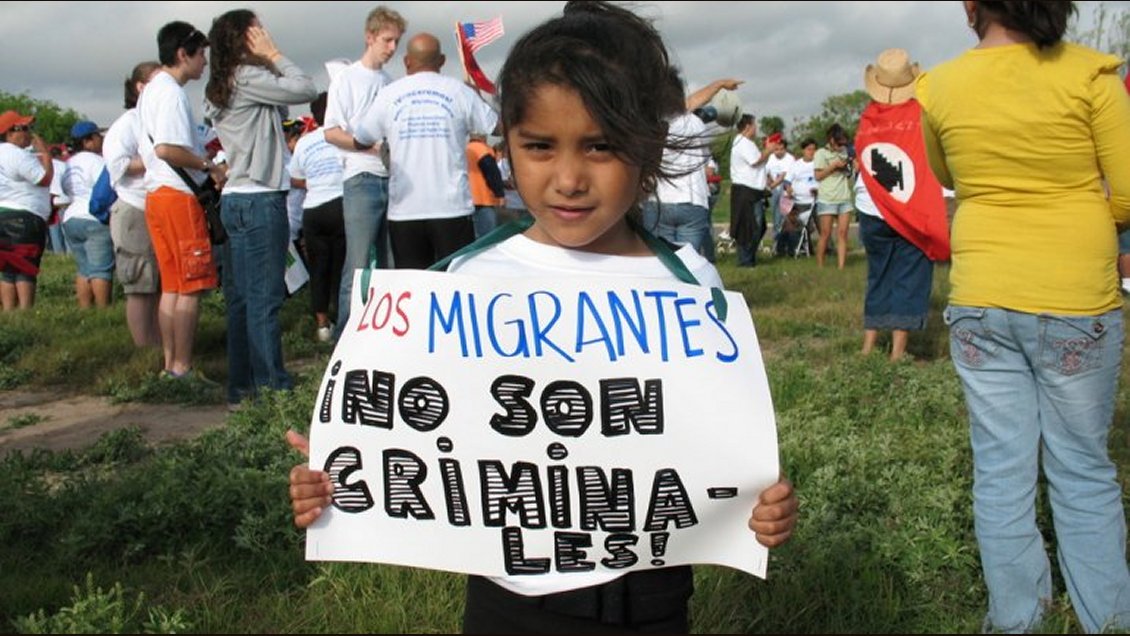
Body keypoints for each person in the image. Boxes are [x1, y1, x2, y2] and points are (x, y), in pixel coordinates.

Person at [287, 3, 797, 632]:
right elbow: (426, 427)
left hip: (649, 605)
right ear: (507, 145)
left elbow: (719, 441)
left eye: (600, 147)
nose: (569, 178)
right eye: (539, 147)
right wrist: (347, 464)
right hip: (507, 607)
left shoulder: (691, 286)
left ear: (649, 147)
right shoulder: (464, 283)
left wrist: (763, 504)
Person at [917, 1, 1130, 632]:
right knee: (1082, 467)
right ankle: (1108, 620)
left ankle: (1015, 618)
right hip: (1073, 294)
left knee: (1001, 466)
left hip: (981, 292)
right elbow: (1128, 192)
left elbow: (948, 174)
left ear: (971, 7)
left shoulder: (940, 86)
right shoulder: (1092, 75)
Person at [204, 9, 317, 409]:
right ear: (245, 39)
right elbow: (306, 88)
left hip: (236, 199)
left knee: (240, 300)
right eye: (259, 31)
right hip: (260, 198)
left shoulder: (222, 83)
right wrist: (274, 54)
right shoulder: (249, 78)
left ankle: (242, 388)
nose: (266, 35)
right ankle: (273, 391)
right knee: (265, 299)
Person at [352, 32, 499, 270]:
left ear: (407, 61)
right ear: (441, 61)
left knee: (413, 288)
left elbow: (361, 138)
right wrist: (478, 97)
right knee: (454, 285)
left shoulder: (389, 94)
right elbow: (496, 127)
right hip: (452, 207)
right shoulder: (459, 91)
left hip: (405, 211)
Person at [137, 20, 225, 380]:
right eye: (201, 54)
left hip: (157, 195)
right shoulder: (171, 93)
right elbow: (168, 149)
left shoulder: (151, 90)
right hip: (178, 197)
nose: (204, 62)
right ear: (182, 54)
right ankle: (183, 367)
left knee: (172, 287)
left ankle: (171, 366)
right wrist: (209, 166)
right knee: (190, 288)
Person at [323, 6, 407, 342]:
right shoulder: (346, 78)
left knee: (390, 264)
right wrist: (364, 146)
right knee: (357, 264)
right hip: (361, 178)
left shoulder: (390, 82)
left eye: (396, 42)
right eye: (387, 40)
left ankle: (384, 338)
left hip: (391, 177)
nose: (391, 48)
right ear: (370, 37)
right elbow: (331, 131)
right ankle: (346, 338)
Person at [855, 48, 943, 362]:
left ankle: (868, 347)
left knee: (878, 274)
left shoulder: (867, 118)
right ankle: (897, 352)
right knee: (909, 273)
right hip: (909, 208)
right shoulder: (920, 114)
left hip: (870, 209)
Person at [643, 77, 738, 261]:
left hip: (659, 200)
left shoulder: (652, 124)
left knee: (660, 262)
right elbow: (704, 160)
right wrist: (717, 85)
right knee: (688, 263)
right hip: (692, 200)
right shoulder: (696, 124)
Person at [105, 61, 163, 347]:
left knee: (159, 285)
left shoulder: (157, 119)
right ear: (140, 87)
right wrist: (157, 160)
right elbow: (117, 164)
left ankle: (160, 345)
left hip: (157, 207)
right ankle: (144, 349)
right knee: (140, 285)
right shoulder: (128, 123)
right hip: (134, 208)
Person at [289, 92, 346, 343]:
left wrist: (313, 183)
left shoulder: (304, 142)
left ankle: (322, 324)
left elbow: (294, 177)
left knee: (319, 268)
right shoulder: (343, 137)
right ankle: (345, 318)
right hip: (342, 204)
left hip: (313, 210)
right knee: (343, 268)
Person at [0, 110, 53, 310]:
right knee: (25, 268)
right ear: (9, 132)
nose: (29, 133)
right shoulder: (15, 154)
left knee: (7, 270)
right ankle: (25, 312)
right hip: (24, 216)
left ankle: (9, 312)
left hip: (3, 213)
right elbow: (43, 179)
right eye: (24, 128)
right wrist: (46, 153)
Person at [61, 120, 114, 308]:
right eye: (97, 136)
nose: (101, 139)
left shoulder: (68, 165)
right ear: (87, 141)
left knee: (84, 268)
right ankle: (102, 310)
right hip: (93, 218)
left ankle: (85, 308)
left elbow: (64, 192)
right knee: (101, 269)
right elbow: (108, 188)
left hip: (71, 217)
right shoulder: (98, 162)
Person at [728, 114, 773, 267]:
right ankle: (745, 261)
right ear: (748, 126)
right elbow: (755, 161)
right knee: (750, 227)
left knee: (759, 226)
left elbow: (759, 161)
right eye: (755, 125)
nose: (756, 129)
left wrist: (766, 151)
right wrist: (768, 150)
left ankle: (749, 257)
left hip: (753, 190)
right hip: (746, 190)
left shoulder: (747, 143)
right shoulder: (743, 142)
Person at [813, 122, 853, 269]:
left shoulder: (844, 152)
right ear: (831, 140)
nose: (840, 146)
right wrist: (833, 166)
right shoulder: (820, 154)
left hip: (844, 197)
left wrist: (849, 167)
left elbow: (848, 174)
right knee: (825, 233)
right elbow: (818, 176)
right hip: (827, 198)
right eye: (838, 143)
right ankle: (820, 266)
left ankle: (841, 267)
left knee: (843, 233)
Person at [781, 138, 818, 257]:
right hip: (799, 202)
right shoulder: (796, 165)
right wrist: (788, 188)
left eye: (813, 149)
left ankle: (827, 249)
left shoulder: (818, 164)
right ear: (803, 150)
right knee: (793, 224)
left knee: (822, 226)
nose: (811, 152)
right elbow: (787, 181)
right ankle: (788, 249)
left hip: (815, 201)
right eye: (809, 149)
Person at [466, 133, 505, 238]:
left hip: (466, 200)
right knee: (487, 239)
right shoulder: (482, 149)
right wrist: (500, 194)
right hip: (483, 199)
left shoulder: (464, 148)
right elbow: (492, 173)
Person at [764, 134, 796, 256]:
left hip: (784, 192)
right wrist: (770, 183)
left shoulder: (790, 159)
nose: (778, 151)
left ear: (785, 148)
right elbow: (766, 172)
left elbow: (784, 176)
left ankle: (787, 245)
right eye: (776, 149)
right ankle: (776, 244)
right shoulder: (771, 157)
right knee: (776, 219)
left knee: (784, 219)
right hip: (773, 191)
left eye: (781, 149)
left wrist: (772, 185)